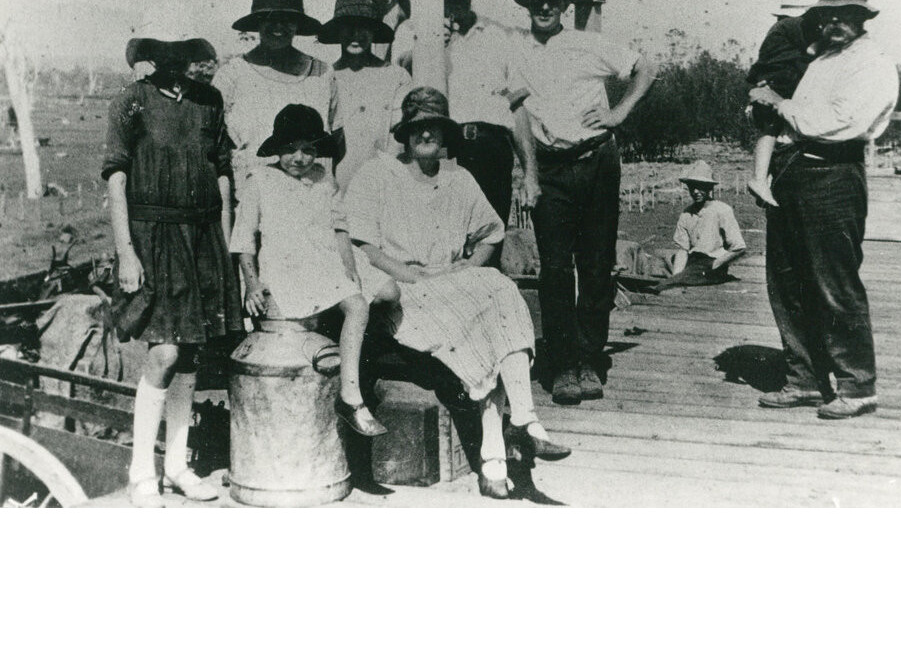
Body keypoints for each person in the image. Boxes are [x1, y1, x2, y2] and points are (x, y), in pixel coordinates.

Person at [346, 87, 570, 500]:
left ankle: (523, 418)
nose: (426, 135)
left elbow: (490, 233)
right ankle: (497, 454)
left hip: (452, 282)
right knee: (486, 327)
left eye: (434, 127)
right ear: (405, 134)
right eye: (418, 128)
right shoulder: (377, 174)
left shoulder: (458, 178)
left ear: (446, 133)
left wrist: (467, 266)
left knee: (499, 289)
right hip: (404, 292)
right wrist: (414, 277)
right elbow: (363, 246)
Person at [749, 0, 898, 420]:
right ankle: (804, 378)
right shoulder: (821, 58)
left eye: (845, 14)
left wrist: (780, 105)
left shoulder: (869, 62)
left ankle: (857, 384)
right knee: (788, 281)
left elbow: (841, 123)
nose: (835, 23)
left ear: (863, 16)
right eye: (827, 15)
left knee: (835, 285)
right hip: (795, 173)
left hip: (834, 175)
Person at [103, 36, 243, 507]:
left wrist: (225, 242)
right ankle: (141, 473)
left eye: (180, 48)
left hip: (203, 236)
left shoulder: (208, 101)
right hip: (153, 237)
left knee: (191, 354)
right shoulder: (131, 101)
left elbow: (222, 173)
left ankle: (178, 466)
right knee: (163, 352)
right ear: (150, 53)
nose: (171, 58)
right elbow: (117, 179)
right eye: (161, 49)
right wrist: (126, 252)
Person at [509, 0, 656, 405]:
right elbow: (517, 116)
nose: (545, 9)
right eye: (537, 2)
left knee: (595, 266)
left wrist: (619, 114)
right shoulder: (515, 51)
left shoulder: (589, 45)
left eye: (553, 1)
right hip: (550, 168)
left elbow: (645, 68)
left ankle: (590, 359)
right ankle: (563, 364)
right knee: (554, 270)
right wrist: (529, 173)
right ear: (528, 6)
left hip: (596, 161)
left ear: (565, 5)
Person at [229, 104, 399, 437]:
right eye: (290, 149)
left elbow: (339, 227)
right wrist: (251, 282)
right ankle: (352, 395)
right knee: (357, 305)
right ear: (277, 149)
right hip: (287, 266)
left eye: (308, 149)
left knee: (389, 293)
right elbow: (243, 238)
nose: (299, 157)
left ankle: (357, 351)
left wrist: (349, 265)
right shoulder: (260, 180)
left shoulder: (324, 179)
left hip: (328, 258)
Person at [392, 0, 540, 228]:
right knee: (438, 241)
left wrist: (531, 175)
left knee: (488, 242)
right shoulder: (411, 30)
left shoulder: (499, 35)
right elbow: (399, 72)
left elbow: (518, 109)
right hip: (438, 148)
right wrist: (430, 44)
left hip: (490, 151)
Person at [212, 0, 342, 194]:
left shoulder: (322, 73)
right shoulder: (232, 75)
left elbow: (336, 139)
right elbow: (215, 145)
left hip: (311, 198)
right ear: (258, 22)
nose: (279, 27)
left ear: (298, 24)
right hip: (250, 200)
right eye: (270, 18)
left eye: (288, 19)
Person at [315, 0, 412, 190]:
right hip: (339, 184)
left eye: (364, 27)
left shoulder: (396, 76)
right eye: (348, 27)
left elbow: (400, 137)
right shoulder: (324, 77)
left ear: (374, 31)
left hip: (384, 184)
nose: (356, 35)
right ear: (338, 31)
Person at [745, 1, 817, 207]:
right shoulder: (793, 26)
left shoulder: (776, 28)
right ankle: (760, 179)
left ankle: (762, 178)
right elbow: (812, 50)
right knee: (777, 124)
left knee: (769, 131)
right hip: (781, 83)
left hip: (769, 81)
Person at [656, 160, 746, 289]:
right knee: (663, 264)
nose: (696, 192)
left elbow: (739, 247)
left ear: (709, 188)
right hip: (693, 263)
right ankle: (671, 283)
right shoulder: (686, 214)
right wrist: (676, 276)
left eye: (701, 187)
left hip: (713, 264)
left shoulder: (722, 210)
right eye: (692, 187)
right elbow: (683, 249)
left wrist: (716, 263)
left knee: (686, 276)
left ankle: (664, 285)